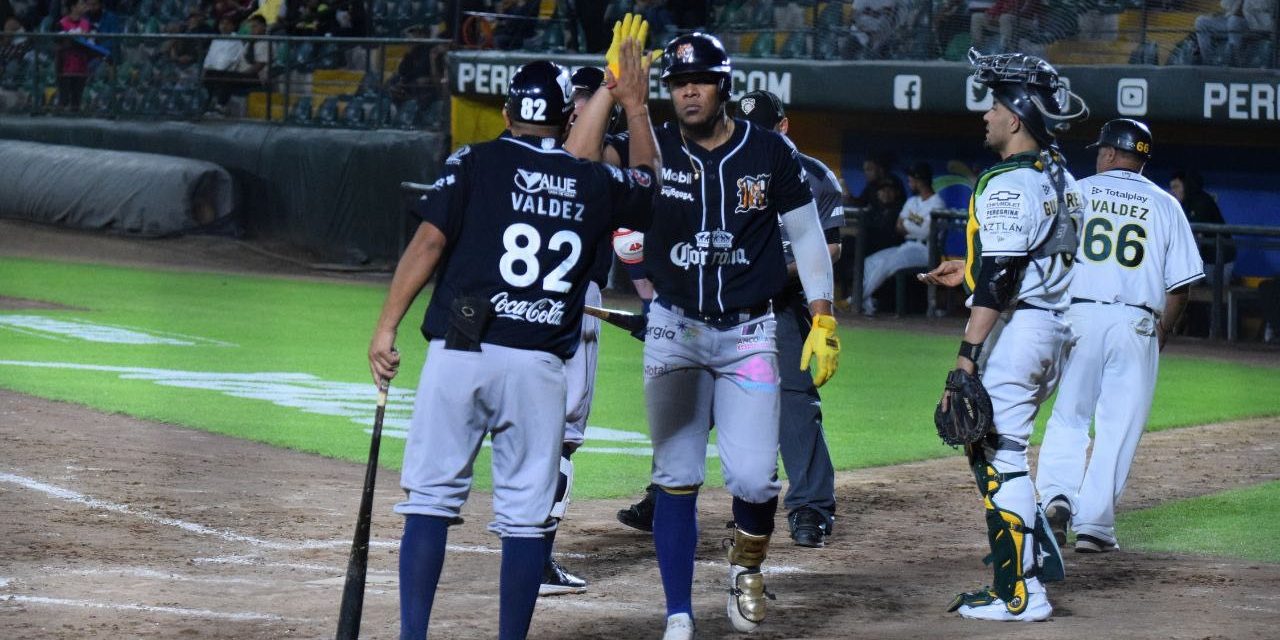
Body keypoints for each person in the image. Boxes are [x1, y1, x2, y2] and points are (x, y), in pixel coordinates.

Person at [367, 47, 660, 639]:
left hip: (461, 354)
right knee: (525, 521)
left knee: (429, 501)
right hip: (538, 367)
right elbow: (652, 188)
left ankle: (413, 634)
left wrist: (386, 327)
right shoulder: (594, 180)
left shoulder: (474, 161)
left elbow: (427, 244)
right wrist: (633, 102)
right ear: (566, 119)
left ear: (505, 113)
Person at [572, 32, 841, 639]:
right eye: (675, 82)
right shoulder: (654, 146)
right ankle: (678, 613)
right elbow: (579, 163)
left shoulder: (770, 152)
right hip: (675, 333)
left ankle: (746, 568)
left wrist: (822, 317)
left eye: (699, 80)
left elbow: (806, 236)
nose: (687, 91)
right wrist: (611, 94)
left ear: (724, 84)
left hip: (750, 335)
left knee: (753, 479)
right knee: (676, 473)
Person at [918, 47, 1089, 622]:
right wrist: (964, 272)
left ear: (1015, 118)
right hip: (1051, 328)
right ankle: (1034, 551)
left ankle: (1019, 594)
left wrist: (966, 357)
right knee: (987, 446)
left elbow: (1003, 275)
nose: (985, 116)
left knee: (1001, 454)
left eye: (993, 106)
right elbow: (1016, 262)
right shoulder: (1061, 174)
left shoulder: (1011, 181)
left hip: (1021, 330)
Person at [1036, 119, 1204, 556]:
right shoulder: (1166, 204)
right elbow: (1181, 286)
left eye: (1100, 150)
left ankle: (1055, 498)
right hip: (1136, 321)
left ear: (1110, 153)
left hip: (1077, 315)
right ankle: (1094, 526)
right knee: (1117, 427)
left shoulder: (1078, 191)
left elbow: (1048, 261)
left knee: (1069, 416)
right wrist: (1161, 332)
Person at [736, 88, 843, 548]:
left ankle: (810, 509)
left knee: (796, 405)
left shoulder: (816, 177)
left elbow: (830, 247)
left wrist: (769, 274)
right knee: (691, 396)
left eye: (762, 130)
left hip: (782, 305)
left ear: (783, 127)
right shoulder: (726, 167)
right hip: (723, 304)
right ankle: (663, 499)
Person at [535, 64, 620, 598]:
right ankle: (537, 558)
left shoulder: (524, 155)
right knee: (563, 436)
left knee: (530, 430)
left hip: (522, 304)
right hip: (576, 303)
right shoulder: (596, 160)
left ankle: (527, 547)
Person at [860, 162, 943, 316]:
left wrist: (909, 225)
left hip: (926, 251)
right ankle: (866, 302)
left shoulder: (937, 203)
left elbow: (925, 233)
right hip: (907, 246)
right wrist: (914, 227)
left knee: (886, 264)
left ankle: (856, 300)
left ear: (920, 180)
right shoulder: (912, 201)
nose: (909, 182)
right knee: (870, 261)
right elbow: (898, 226)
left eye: (911, 179)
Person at [1170, 169, 1235, 285]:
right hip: (1206, 257)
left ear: (1186, 186)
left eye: (1176, 187)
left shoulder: (1202, 202)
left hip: (1220, 257)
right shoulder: (1184, 205)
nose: (1173, 191)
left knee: (1216, 294)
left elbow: (1195, 236)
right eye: (1172, 187)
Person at [1195, 0, 1276, 64]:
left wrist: (1238, 10)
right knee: (1201, 22)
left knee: (1234, 20)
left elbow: (1258, 7)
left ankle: (1233, 61)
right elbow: (1226, 5)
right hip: (1233, 23)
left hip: (1257, 25)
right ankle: (1208, 62)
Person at [55, 0, 93, 111]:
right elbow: (58, 44)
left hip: (81, 65)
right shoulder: (61, 23)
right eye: (81, 4)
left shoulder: (86, 24)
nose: (84, 6)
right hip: (65, 66)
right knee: (64, 99)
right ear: (73, 7)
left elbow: (91, 43)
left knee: (77, 100)